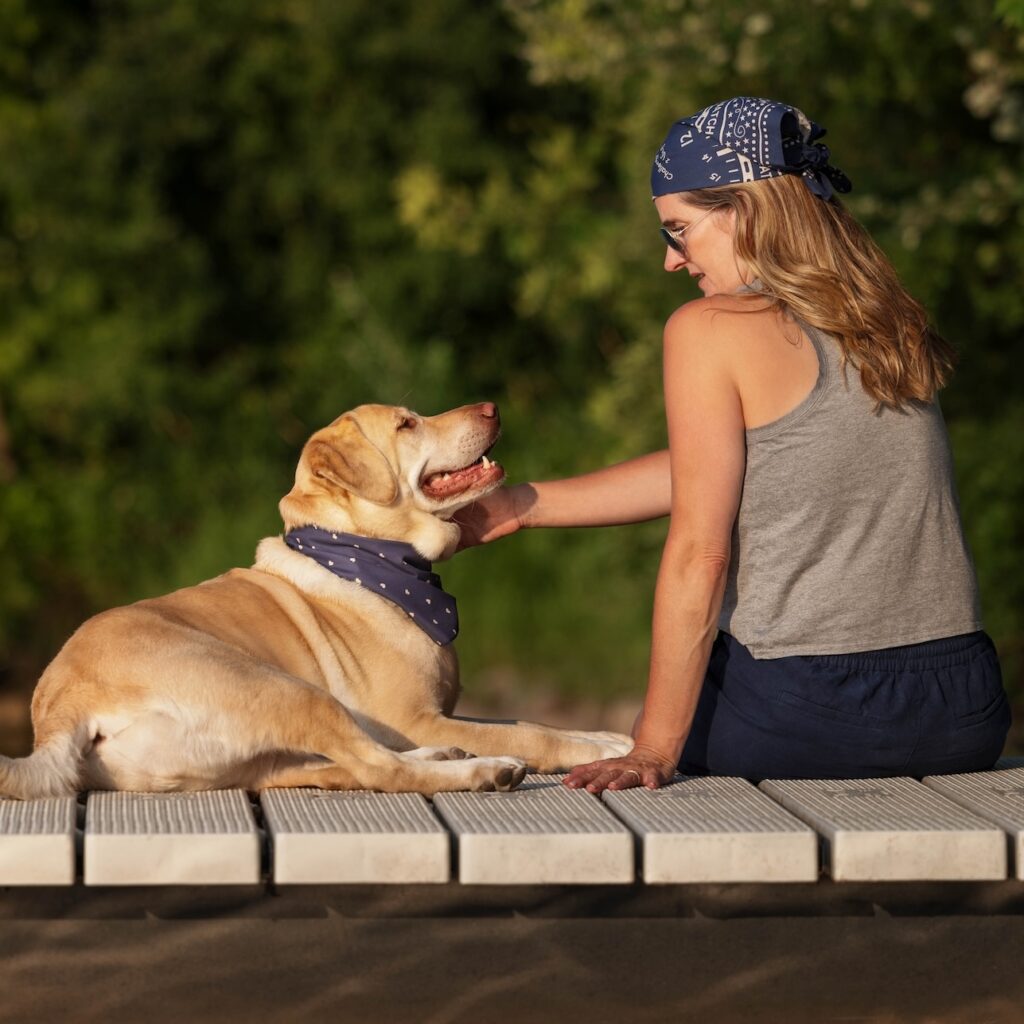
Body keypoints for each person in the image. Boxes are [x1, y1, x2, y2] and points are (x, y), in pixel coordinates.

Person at [454, 96, 1011, 793]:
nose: (670, 260)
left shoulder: (710, 328)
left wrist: (655, 747)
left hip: (813, 711)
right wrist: (521, 507)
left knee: (637, 728)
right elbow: (739, 465)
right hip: (962, 710)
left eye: (680, 230)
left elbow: (700, 552)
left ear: (744, 209)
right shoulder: (882, 317)